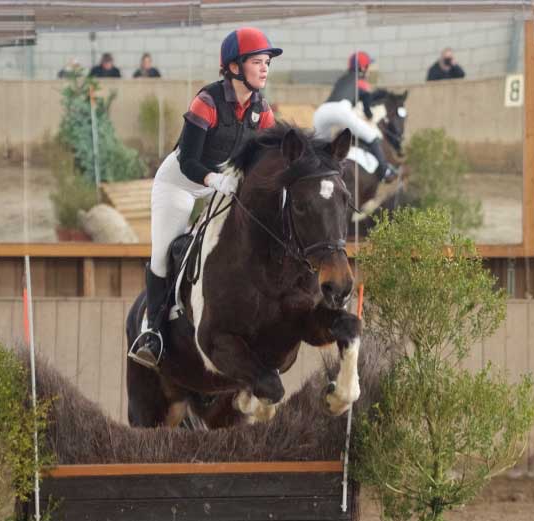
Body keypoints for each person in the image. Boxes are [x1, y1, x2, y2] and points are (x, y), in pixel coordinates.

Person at [128, 28, 281, 369]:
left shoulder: (262, 110)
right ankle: (150, 332)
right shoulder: (208, 101)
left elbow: (270, 155)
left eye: (267, 62)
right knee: (163, 255)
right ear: (235, 67)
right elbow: (188, 160)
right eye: (257, 61)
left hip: (222, 185)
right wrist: (215, 180)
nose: (265, 68)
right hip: (180, 183)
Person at [312, 51, 397, 181]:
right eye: (368, 66)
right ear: (363, 68)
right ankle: (384, 170)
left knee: (322, 148)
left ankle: (313, 172)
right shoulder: (361, 81)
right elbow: (367, 99)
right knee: (372, 136)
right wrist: (369, 114)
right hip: (341, 109)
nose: (369, 70)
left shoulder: (342, 79)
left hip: (321, 112)